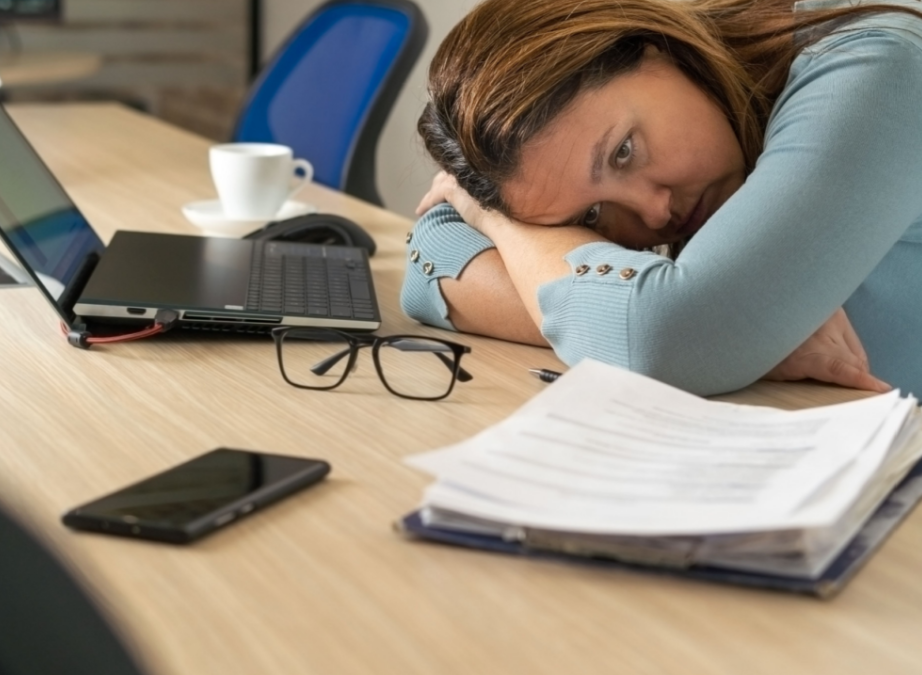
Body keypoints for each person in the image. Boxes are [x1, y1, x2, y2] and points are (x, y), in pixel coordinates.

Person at [400, 0, 922, 397]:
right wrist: (730, 334)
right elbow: (428, 269)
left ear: (655, 46)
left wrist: (502, 228)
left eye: (624, 151)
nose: (652, 213)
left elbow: (668, 337)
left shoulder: (879, 68)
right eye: (589, 218)